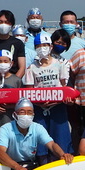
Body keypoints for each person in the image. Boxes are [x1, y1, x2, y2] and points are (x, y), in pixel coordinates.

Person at [0, 98, 74, 170]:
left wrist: (63, 154)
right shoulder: (5, 129)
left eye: (29, 112)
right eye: (22, 112)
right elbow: (0, 153)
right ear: (15, 114)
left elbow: (52, 145)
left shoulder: (37, 127)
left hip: (28, 163)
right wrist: (16, 167)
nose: (26, 115)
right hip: (9, 164)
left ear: (33, 115)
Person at [23, 32, 72, 162]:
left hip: (57, 107)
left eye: (45, 45)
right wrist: (39, 103)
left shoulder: (59, 64)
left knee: (60, 139)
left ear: (51, 46)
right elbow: (29, 91)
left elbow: (64, 86)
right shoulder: (31, 68)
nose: (42, 48)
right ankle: (42, 165)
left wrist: (63, 99)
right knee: (41, 142)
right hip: (39, 108)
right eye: (38, 45)